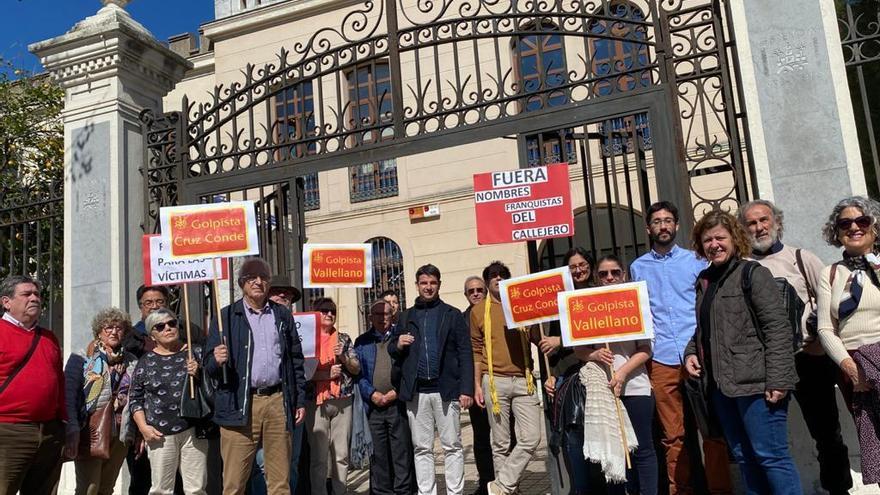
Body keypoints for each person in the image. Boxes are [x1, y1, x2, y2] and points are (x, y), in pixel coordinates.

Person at [684, 210, 801, 494]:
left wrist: (778, 379)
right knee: (745, 459)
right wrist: (691, 352)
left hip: (758, 385)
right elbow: (705, 327)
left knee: (771, 456)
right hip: (722, 387)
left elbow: (777, 328)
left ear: (734, 239)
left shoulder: (752, 273)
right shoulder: (705, 280)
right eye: (708, 239)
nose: (714, 244)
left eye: (720, 237)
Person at [740, 199, 852, 494]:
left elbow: (831, 304)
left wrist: (819, 337)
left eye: (764, 220)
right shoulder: (741, 268)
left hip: (808, 358)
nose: (759, 227)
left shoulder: (802, 258)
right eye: (751, 223)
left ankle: (837, 488)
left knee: (828, 433)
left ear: (776, 221)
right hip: (766, 365)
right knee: (769, 441)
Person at [629, 201, 732, 494]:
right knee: (672, 436)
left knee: (712, 433)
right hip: (660, 358)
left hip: (697, 355)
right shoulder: (637, 268)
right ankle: (681, 490)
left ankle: (720, 491)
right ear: (649, 228)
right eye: (657, 221)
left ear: (676, 225)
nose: (663, 226)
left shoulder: (696, 261)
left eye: (668, 220)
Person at [203, 257, 306, 495]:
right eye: (252, 278)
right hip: (239, 403)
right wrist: (215, 360)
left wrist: (299, 400)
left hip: (277, 401)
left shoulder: (282, 315)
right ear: (241, 283)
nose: (258, 282)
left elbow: (295, 361)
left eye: (263, 278)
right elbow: (207, 366)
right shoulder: (226, 317)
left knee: (280, 482)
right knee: (234, 483)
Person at [389, 264, 474, 495]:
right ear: (417, 285)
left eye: (433, 283)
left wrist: (466, 389)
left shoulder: (452, 314)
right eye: (424, 283)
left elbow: (465, 353)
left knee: (453, 446)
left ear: (439, 285)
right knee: (422, 448)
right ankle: (427, 492)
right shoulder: (406, 316)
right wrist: (398, 344)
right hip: (417, 393)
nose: (428, 287)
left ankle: (455, 492)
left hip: (446, 390)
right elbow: (392, 350)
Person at [578, 255, 657, 495]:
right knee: (615, 451)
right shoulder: (586, 306)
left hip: (635, 387)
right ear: (597, 278)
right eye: (603, 274)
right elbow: (578, 350)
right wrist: (595, 355)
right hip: (604, 389)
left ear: (623, 274)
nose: (609, 277)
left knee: (642, 449)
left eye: (614, 272)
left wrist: (622, 372)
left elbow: (646, 349)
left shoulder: (635, 302)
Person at [817, 196, 880, 484]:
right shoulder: (830, 273)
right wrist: (850, 368)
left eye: (862, 221)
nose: (854, 227)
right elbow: (826, 329)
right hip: (852, 363)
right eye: (845, 223)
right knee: (873, 439)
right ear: (836, 231)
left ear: (874, 226)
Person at [470, 261, 542, 495]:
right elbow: (476, 350)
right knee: (500, 444)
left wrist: (535, 319)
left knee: (532, 438)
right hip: (494, 382)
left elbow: (535, 339)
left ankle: (501, 485)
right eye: (493, 275)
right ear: (487, 281)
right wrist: (477, 385)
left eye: (502, 275)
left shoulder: (522, 304)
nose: (498, 278)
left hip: (524, 380)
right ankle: (509, 491)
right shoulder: (478, 311)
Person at [129, 309, 208, 495]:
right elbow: (135, 398)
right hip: (160, 434)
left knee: (196, 489)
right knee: (161, 490)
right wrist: (143, 428)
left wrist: (199, 373)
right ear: (152, 335)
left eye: (172, 323)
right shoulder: (146, 361)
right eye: (161, 326)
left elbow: (214, 385)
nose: (168, 328)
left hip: (194, 429)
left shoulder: (195, 352)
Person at [0, 275, 66, 495]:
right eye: (26, 294)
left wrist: (66, 424)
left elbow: (59, 382)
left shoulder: (48, 337)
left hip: (50, 432)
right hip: (9, 431)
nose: (34, 298)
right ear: (6, 302)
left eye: (37, 294)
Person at [63, 307, 137, 495]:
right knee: (89, 488)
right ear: (98, 332)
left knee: (106, 487)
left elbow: (137, 396)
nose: (114, 331)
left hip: (120, 433)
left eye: (119, 328)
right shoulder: (82, 358)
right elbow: (69, 394)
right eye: (108, 328)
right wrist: (72, 426)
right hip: (91, 430)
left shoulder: (132, 361)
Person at [249, 276, 305, 495]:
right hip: (265, 400)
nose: (283, 297)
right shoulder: (254, 325)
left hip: (292, 402)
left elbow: (299, 365)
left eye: (287, 294)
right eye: (278, 292)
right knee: (263, 463)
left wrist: (299, 400)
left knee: (291, 461)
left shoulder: (300, 324)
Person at [354, 300, 413, 494]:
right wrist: (372, 394)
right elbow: (358, 375)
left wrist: (395, 392)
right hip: (373, 406)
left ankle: (403, 491)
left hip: (397, 404)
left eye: (386, 314)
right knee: (378, 457)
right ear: (370, 317)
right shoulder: (362, 342)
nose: (382, 318)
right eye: (377, 314)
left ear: (392, 315)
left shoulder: (401, 338)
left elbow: (408, 369)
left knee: (401, 454)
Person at [305, 297, 360, 495]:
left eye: (333, 311)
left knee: (341, 455)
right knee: (319, 457)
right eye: (324, 310)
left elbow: (356, 369)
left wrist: (344, 356)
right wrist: (324, 375)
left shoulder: (343, 339)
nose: (329, 314)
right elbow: (302, 373)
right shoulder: (308, 340)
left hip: (342, 401)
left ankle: (339, 492)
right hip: (316, 403)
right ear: (315, 314)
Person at [462, 275, 495, 495]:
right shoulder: (461, 319)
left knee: (505, 438)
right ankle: (485, 482)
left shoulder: (497, 311)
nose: (475, 293)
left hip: (499, 382)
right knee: (481, 438)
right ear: (466, 295)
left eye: (479, 289)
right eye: (471, 290)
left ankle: (507, 481)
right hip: (476, 386)